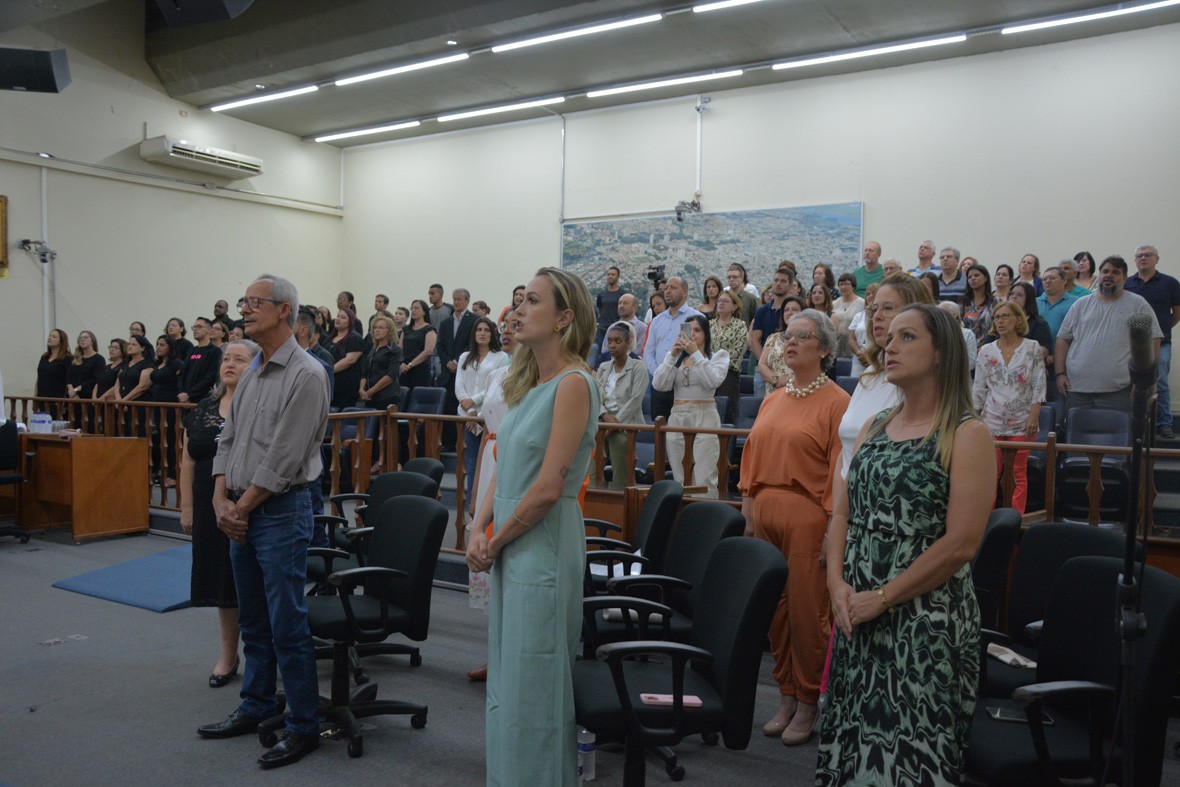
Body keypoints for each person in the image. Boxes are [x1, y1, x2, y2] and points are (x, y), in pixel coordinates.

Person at [818, 304, 994, 785]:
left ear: (941, 353)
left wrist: (883, 597)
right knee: (853, 744)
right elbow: (842, 513)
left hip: (923, 622)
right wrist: (835, 584)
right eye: (889, 336)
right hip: (857, 611)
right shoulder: (876, 425)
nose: (889, 346)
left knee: (912, 757)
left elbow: (961, 544)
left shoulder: (967, 433)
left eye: (907, 337)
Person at [464, 267, 601, 785]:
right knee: (507, 682)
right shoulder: (529, 382)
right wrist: (477, 528)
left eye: (533, 302)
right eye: (519, 301)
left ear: (564, 318)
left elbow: (547, 489)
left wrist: (494, 541)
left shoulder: (574, 384)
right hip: (510, 544)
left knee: (535, 687)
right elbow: (504, 467)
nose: (518, 311)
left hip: (541, 545)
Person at [199, 274, 329, 769]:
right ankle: (255, 705)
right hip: (240, 509)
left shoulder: (306, 375)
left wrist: (241, 507)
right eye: (244, 302)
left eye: (255, 302)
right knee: (252, 618)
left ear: (283, 310)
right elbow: (228, 439)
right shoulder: (252, 370)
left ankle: (303, 725)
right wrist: (219, 497)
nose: (245, 309)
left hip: (278, 511)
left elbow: (284, 458)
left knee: (286, 623)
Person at [739, 309, 849, 746]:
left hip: (808, 516)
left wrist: (831, 529)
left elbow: (839, 471)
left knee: (807, 614)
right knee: (776, 613)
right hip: (764, 510)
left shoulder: (838, 402)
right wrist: (748, 507)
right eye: (788, 335)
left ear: (824, 349)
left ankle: (807, 700)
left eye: (802, 336)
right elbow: (752, 454)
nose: (791, 342)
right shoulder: (774, 396)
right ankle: (785, 694)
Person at [180, 339, 260, 689]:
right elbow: (188, 458)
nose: (229, 363)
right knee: (220, 582)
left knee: (248, 579)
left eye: (239, 359)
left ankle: (260, 653)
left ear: (255, 366)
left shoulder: (259, 406)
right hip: (206, 503)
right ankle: (228, 654)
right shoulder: (204, 407)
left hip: (247, 503)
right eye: (226, 358)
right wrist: (187, 506)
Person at [838, 275, 935, 479]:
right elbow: (845, 453)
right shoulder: (869, 375)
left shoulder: (923, 380)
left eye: (888, 308)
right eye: (874, 309)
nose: (877, 316)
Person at [1056, 255, 1162, 416]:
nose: (1109, 275)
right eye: (1105, 271)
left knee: (1116, 432)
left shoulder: (1138, 304)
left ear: (1125, 278)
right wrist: (1060, 374)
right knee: (1076, 432)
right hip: (1077, 388)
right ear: (1099, 275)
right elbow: (1063, 339)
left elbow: (1153, 341)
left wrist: (1142, 381)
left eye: (1116, 272)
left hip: (1120, 391)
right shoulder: (1080, 304)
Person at [974, 301, 1046, 514]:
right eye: (997, 317)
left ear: (1018, 320)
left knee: (1017, 472)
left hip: (1022, 420)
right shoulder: (986, 350)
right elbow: (979, 387)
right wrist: (974, 418)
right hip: (991, 420)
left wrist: (1034, 415)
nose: (1001, 321)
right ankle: (986, 519)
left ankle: (1015, 519)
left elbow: (1039, 382)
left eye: (1006, 316)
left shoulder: (1032, 347)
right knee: (990, 472)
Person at [653, 314, 729, 498]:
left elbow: (712, 381)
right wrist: (672, 356)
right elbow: (659, 384)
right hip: (677, 416)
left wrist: (695, 354)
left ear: (706, 334)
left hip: (704, 415)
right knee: (679, 475)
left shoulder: (717, 356)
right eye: (689, 330)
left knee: (704, 474)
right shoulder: (676, 360)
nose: (692, 334)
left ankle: (705, 512)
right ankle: (681, 511)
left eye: (697, 330)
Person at [1124, 244, 1180, 439]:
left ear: (1157, 259)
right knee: (1130, 382)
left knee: (1160, 382)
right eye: (1139, 255)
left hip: (1161, 344)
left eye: (1148, 255)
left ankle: (1164, 423)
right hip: (1131, 345)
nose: (1143, 258)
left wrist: (1159, 331)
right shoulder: (1127, 283)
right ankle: (1134, 422)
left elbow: (1177, 314)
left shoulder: (1170, 283)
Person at [455, 316, 509, 502]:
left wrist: (474, 403)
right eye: (479, 330)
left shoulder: (501, 357)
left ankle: (487, 505)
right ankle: (473, 504)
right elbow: (459, 385)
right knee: (471, 462)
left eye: (486, 330)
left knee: (489, 462)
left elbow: (495, 386)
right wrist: (469, 410)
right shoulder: (464, 356)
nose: (482, 333)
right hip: (466, 415)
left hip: (487, 415)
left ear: (492, 334)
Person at [595, 321, 648, 490]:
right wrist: (605, 416)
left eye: (618, 341)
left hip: (625, 423)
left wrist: (616, 422)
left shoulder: (638, 366)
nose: (612, 345)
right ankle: (591, 496)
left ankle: (618, 497)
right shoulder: (603, 367)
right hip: (602, 420)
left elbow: (636, 399)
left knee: (620, 449)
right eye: (610, 341)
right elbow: (596, 395)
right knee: (591, 458)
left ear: (628, 342)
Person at [643, 276, 700, 424]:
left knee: (683, 429)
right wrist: (659, 373)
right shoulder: (657, 321)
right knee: (658, 429)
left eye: (673, 288)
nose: (667, 291)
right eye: (666, 288)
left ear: (685, 292)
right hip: (659, 386)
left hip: (684, 386)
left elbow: (701, 352)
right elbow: (648, 353)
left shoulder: (696, 318)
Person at [749, 268, 794, 396]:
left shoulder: (793, 311)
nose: (778, 284)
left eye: (783, 281)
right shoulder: (762, 311)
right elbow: (755, 339)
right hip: (763, 366)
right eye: (776, 280)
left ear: (790, 286)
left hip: (789, 368)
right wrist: (765, 364)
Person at [150, 335, 184, 486]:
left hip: (171, 407)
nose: (158, 347)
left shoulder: (176, 363)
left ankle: (173, 474)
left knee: (171, 440)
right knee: (161, 440)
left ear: (170, 347)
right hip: (158, 407)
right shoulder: (158, 363)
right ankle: (162, 472)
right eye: (157, 344)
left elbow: (181, 382)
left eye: (162, 345)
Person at [710, 290, 748, 422]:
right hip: (707, 373)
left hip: (728, 375)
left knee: (726, 414)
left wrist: (718, 364)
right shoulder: (709, 324)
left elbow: (738, 351)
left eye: (725, 301)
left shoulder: (740, 325)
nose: (721, 303)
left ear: (735, 306)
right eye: (720, 301)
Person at [757, 296, 806, 392]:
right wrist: (776, 380)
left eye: (794, 309)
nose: (790, 312)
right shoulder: (773, 338)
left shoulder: (807, 338)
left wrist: (788, 380)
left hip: (798, 389)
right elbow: (762, 364)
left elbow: (810, 366)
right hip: (773, 390)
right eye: (786, 310)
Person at [359, 313, 403, 412]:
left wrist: (371, 391)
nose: (377, 330)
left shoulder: (394, 350)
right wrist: (361, 389)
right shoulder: (372, 349)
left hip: (386, 396)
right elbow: (365, 373)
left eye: (381, 328)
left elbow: (390, 376)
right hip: (369, 396)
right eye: (375, 327)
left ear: (389, 330)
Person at [327, 308, 364, 409]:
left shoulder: (355, 338)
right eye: (338, 316)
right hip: (329, 386)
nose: (338, 319)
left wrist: (328, 370)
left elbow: (350, 360)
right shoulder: (329, 338)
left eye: (343, 317)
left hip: (345, 388)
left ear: (350, 322)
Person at [399, 299, 437, 394]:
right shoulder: (406, 329)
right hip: (404, 369)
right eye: (412, 308)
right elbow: (399, 349)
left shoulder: (429, 329)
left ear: (424, 311)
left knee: (417, 394)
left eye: (416, 308)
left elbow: (428, 351)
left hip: (420, 369)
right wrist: (401, 363)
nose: (413, 310)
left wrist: (410, 365)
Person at [1036, 266, 1079, 344]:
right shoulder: (1034, 302)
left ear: (1064, 280)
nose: (1047, 281)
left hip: (1066, 349)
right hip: (1038, 349)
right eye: (1044, 279)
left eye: (1052, 278)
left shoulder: (1076, 303)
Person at [846, 283, 879, 377]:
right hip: (859, 359)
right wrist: (860, 353)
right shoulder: (859, 316)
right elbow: (851, 339)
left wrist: (870, 356)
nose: (870, 296)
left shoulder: (882, 316)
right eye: (868, 294)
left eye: (874, 293)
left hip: (877, 358)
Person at [36, 329, 71, 416]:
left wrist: (65, 400)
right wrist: (35, 396)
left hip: (57, 399)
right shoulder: (44, 357)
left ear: (61, 341)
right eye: (50, 336)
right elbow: (39, 377)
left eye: (54, 337)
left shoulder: (67, 358)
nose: (50, 338)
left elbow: (70, 379)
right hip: (42, 398)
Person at [960, 263, 997, 343]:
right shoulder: (963, 303)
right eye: (969, 277)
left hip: (990, 345)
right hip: (968, 345)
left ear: (985, 278)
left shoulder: (995, 301)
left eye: (976, 275)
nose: (973, 278)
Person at [831, 273, 865, 359]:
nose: (843, 287)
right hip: (836, 347)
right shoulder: (834, 304)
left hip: (854, 347)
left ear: (853, 286)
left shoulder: (862, 303)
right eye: (841, 284)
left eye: (846, 284)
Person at [66, 330, 104, 401]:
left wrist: (76, 390)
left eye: (85, 337)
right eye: (80, 338)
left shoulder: (99, 359)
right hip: (72, 397)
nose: (82, 339)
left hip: (88, 397)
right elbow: (68, 377)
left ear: (92, 341)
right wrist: (71, 390)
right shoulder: (75, 359)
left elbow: (95, 379)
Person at [595, 266, 625, 348]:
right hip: (602, 330)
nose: (610, 276)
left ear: (618, 277)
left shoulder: (622, 294)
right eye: (608, 274)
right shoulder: (601, 294)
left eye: (613, 274)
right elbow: (600, 309)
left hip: (617, 329)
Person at [96, 338, 127, 405]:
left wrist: (101, 399)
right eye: (111, 347)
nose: (112, 349)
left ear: (123, 350)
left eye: (116, 348)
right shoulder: (106, 367)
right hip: (98, 402)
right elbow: (97, 383)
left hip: (111, 403)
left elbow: (116, 386)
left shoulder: (124, 366)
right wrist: (94, 399)